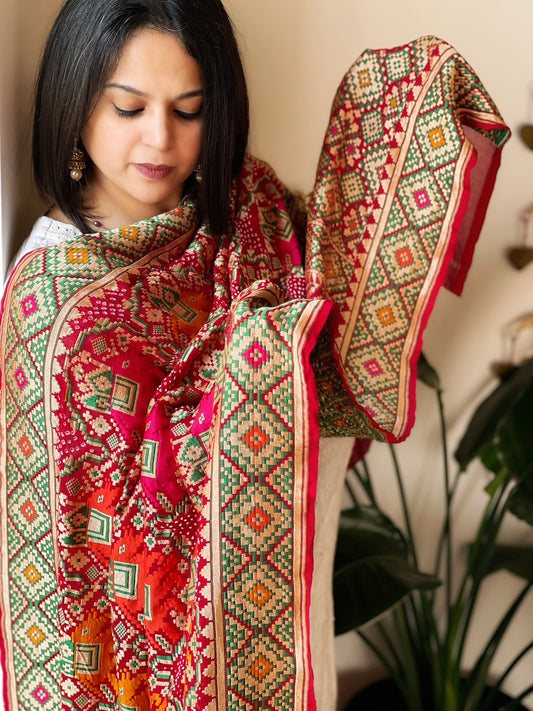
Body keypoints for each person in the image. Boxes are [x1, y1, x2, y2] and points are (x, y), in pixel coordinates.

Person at [0, 1, 510, 709]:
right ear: (72, 105)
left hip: (288, 596)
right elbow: (91, 530)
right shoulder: (54, 305)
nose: (161, 139)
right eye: (127, 108)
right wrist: (256, 366)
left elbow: (335, 317)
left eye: (190, 109)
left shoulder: (244, 205)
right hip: (132, 669)